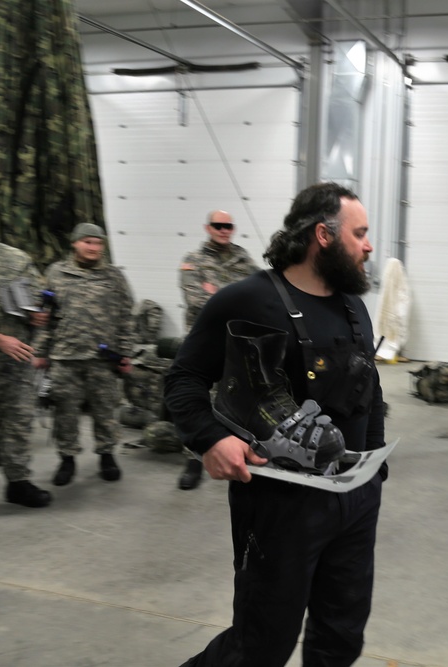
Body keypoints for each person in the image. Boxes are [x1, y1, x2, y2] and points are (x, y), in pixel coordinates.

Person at [165, 182, 386, 667]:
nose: (369, 245)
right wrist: (211, 439)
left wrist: (374, 474)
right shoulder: (245, 299)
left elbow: (370, 390)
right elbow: (183, 380)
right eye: (361, 233)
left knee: (341, 634)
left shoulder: (355, 307)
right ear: (324, 236)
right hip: (280, 505)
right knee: (261, 644)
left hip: (355, 500)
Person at [0, 196, 53, 526]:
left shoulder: (16, 257)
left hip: (17, 355)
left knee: (18, 421)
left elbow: (36, 295)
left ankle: (17, 483)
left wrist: (38, 315)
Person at [34, 223, 136, 486]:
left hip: (103, 358)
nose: (93, 248)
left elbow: (126, 317)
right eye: (87, 242)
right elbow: (47, 317)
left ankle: (107, 455)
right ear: (75, 244)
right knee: (65, 413)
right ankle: (67, 458)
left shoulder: (114, 277)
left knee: (105, 411)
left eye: (98, 243)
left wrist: (125, 353)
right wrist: (41, 352)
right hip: (64, 357)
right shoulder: (56, 273)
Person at [177, 210, 259, 490]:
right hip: (207, 346)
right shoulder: (193, 261)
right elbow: (197, 301)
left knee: (241, 402)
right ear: (208, 227)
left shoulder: (244, 259)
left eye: (228, 226)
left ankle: (241, 453)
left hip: (239, 345)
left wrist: (218, 292)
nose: (224, 230)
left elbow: (261, 297)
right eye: (218, 225)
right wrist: (235, 299)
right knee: (202, 403)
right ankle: (193, 461)